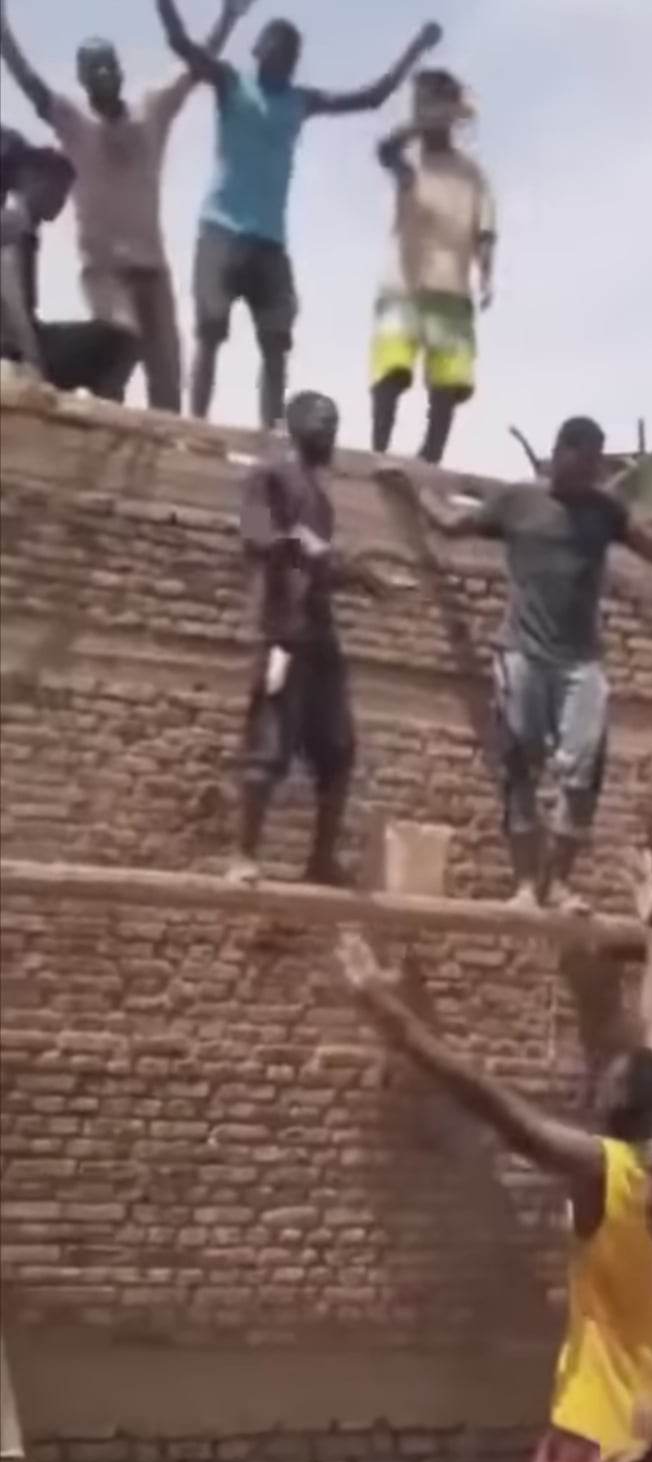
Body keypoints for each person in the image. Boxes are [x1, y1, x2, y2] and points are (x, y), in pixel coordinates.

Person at [336, 851, 652, 1462]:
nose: (599, 1081)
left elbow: (492, 1102)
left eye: (607, 1084)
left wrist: (389, 1015)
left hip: (594, 1441)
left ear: (617, 1113)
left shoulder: (608, 1173)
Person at [376, 417, 652, 912]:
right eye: (585, 465)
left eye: (596, 468)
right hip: (523, 654)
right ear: (561, 454)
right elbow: (450, 525)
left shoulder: (605, 511)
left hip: (580, 663)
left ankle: (560, 884)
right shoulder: (519, 502)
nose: (591, 477)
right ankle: (527, 885)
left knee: (584, 770)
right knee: (520, 765)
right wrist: (412, 489)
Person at [156, 1, 442, 430]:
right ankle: (196, 426)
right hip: (221, 230)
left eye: (292, 52)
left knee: (276, 343)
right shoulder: (232, 83)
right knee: (210, 333)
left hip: (270, 241)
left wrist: (416, 48)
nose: (286, 57)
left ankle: (271, 432)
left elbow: (373, 97)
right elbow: (181, 44)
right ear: (258, 50)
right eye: (278, 47)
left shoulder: (299, 101)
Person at [1, 0, 252, 411]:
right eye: (93, 70)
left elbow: (193, 68)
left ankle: (165, 441)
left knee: (167, 375)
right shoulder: (74, 123)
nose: (103, 75)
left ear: (120, 71)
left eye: (108, 66)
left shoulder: (151, 112)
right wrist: (4, 33)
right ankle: (109, 423)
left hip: (153, 268)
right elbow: (31, 84)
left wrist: (227, 18)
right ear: (83, 80)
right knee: (119, 339)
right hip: (105, 270)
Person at [232, 389, 388, 887]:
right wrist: (314, 550)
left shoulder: (319, 497)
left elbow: (318, 564)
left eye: (335, 423)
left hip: (320, 636)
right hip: (283, 634)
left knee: (339, 749)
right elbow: (260, 538)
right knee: (269, 744)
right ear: (295, 424)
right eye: (323, 421)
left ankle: (320, 861)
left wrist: (359, 578)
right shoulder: (269, 477)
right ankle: (243, 856)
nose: (331, 432)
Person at [371, 67, 495, 465]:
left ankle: (430, 458)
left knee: (447, 381)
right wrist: (419, 123)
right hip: (402, 284)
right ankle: (379, 450)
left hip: (452, 287)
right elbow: (384, 152)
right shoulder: (409, 163)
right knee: (391, 370)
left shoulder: (471, 174)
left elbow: (484, 229)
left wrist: (486, 274)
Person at [1, 141, 136, 395]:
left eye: (64, 195)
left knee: (119, 340)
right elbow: (13, 305)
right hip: (13, 348)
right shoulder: (11, 227)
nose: (60, 203)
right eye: (56, 190)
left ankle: (97, 411)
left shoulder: (25, 230)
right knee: (119, 343)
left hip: (27, 340)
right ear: (30, 179)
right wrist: (33, 366)